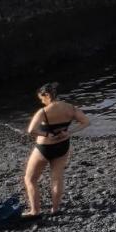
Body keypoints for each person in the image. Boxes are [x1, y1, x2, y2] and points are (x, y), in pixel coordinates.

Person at [23, 82, 89, 217]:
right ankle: (55, 209)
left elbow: (31, 131)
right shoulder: (70, 108)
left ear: (46, 95)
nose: (41, 101)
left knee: (30, 179)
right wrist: (70, 132)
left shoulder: (43, 112)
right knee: (57, 178)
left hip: (44, 147)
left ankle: (35, 211)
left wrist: (47, 134)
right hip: (63, 145)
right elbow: (86, 122)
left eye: (41, 98)